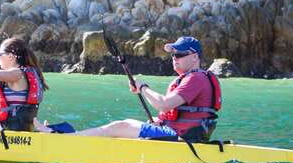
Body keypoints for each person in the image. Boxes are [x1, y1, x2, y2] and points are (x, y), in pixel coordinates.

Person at [35, 36, 221, 141]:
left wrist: (143, 87)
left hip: (181, 138)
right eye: (173, 54)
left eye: (179, 54)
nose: (174, 58)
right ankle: (73, 136)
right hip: (184, 134)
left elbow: (163, 104)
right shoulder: (193, 79)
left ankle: (67, 140)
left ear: (195, 57)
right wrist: (157, 121)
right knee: (124, 128)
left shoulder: (195, 78)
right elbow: (173, 113)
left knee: (120, 126)